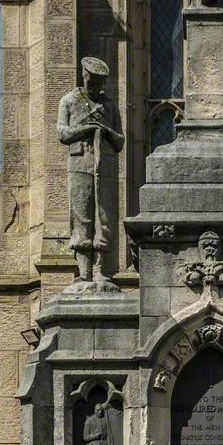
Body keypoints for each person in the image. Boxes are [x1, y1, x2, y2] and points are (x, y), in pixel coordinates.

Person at [57, 57, 124, 287]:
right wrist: (85, 128)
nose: (95, 87)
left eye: (99, 83)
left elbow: (120, 141)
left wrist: (106, 132)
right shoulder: (69, 101)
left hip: (104, 166)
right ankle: (84, 273)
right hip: (79, 164)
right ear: (84, 76)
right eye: (91, 81)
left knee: (103, 217)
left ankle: (100, 271)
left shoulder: (110, 106)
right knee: (82, 216)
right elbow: (62, 133)